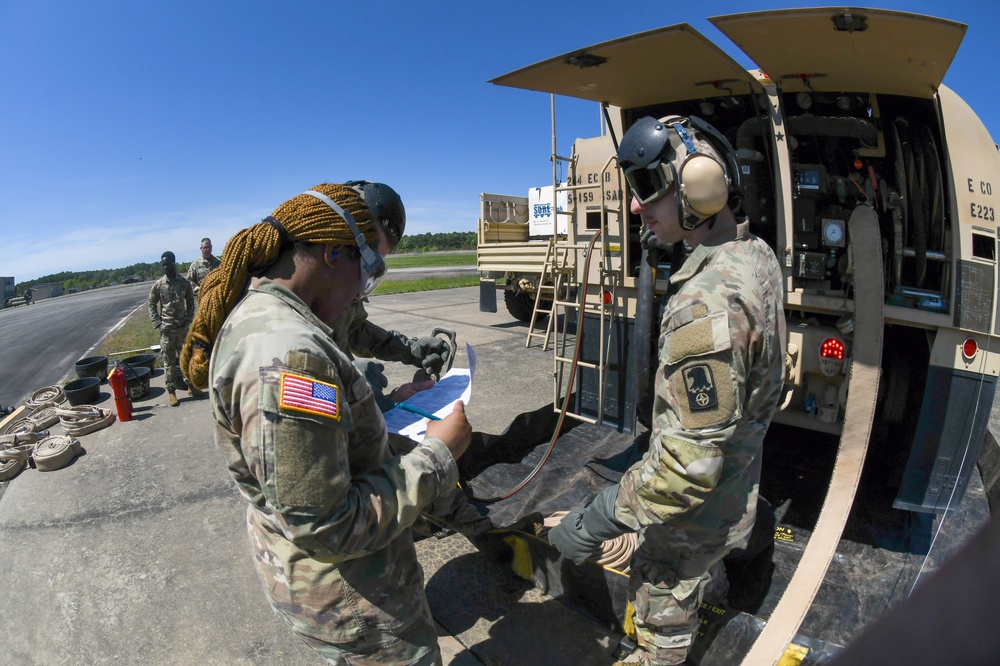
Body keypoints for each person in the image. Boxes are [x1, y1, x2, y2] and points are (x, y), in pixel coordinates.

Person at [179, 183, 473, 665]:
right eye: (370, 272)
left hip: (331, 585)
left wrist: (387, 411)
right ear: (334, 254)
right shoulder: (290, 357)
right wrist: (437, 456)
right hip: (356, 601)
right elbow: (327, 525)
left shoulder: (272, 314)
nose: (363, 293)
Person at [548, 115, 786, 666]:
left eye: (649, 188)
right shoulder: (756, 257)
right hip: (733, 499)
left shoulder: (705, 302)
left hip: (688, 527)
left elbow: (684, 472)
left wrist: (593, 520)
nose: (636, 206)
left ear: (700, 187)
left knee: (660, 626)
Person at [334, 180, 453, 412]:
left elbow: (353, 330)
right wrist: (351, 384)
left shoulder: (334, 287)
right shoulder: (277, 313)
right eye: (364, 263)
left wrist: (410, 349)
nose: (360, 284)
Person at [147, 251, 201, 407]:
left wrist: (189, 318)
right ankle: (171, 391)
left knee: (186, 358)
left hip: (182, 328)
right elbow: (151, 303)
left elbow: (191, 301)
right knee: (169, 361)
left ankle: (191, 386)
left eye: (167, 264)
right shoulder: (159, 285)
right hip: (167, 329)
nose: (165, 267)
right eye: (163, 264)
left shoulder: (183, 283)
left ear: (173, 264)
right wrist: (157, 322)